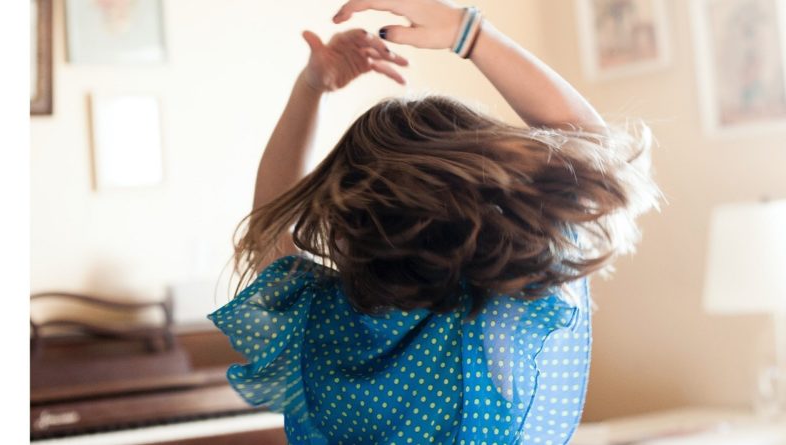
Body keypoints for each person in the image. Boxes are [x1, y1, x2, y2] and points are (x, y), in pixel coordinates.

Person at [209, 0, 661, 443]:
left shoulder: (322, 322)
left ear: (348, 216)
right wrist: (471, 34)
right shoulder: (502, 308)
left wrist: (311, 87)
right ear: (479, 199)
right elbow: (598, 153)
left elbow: (268, 224)